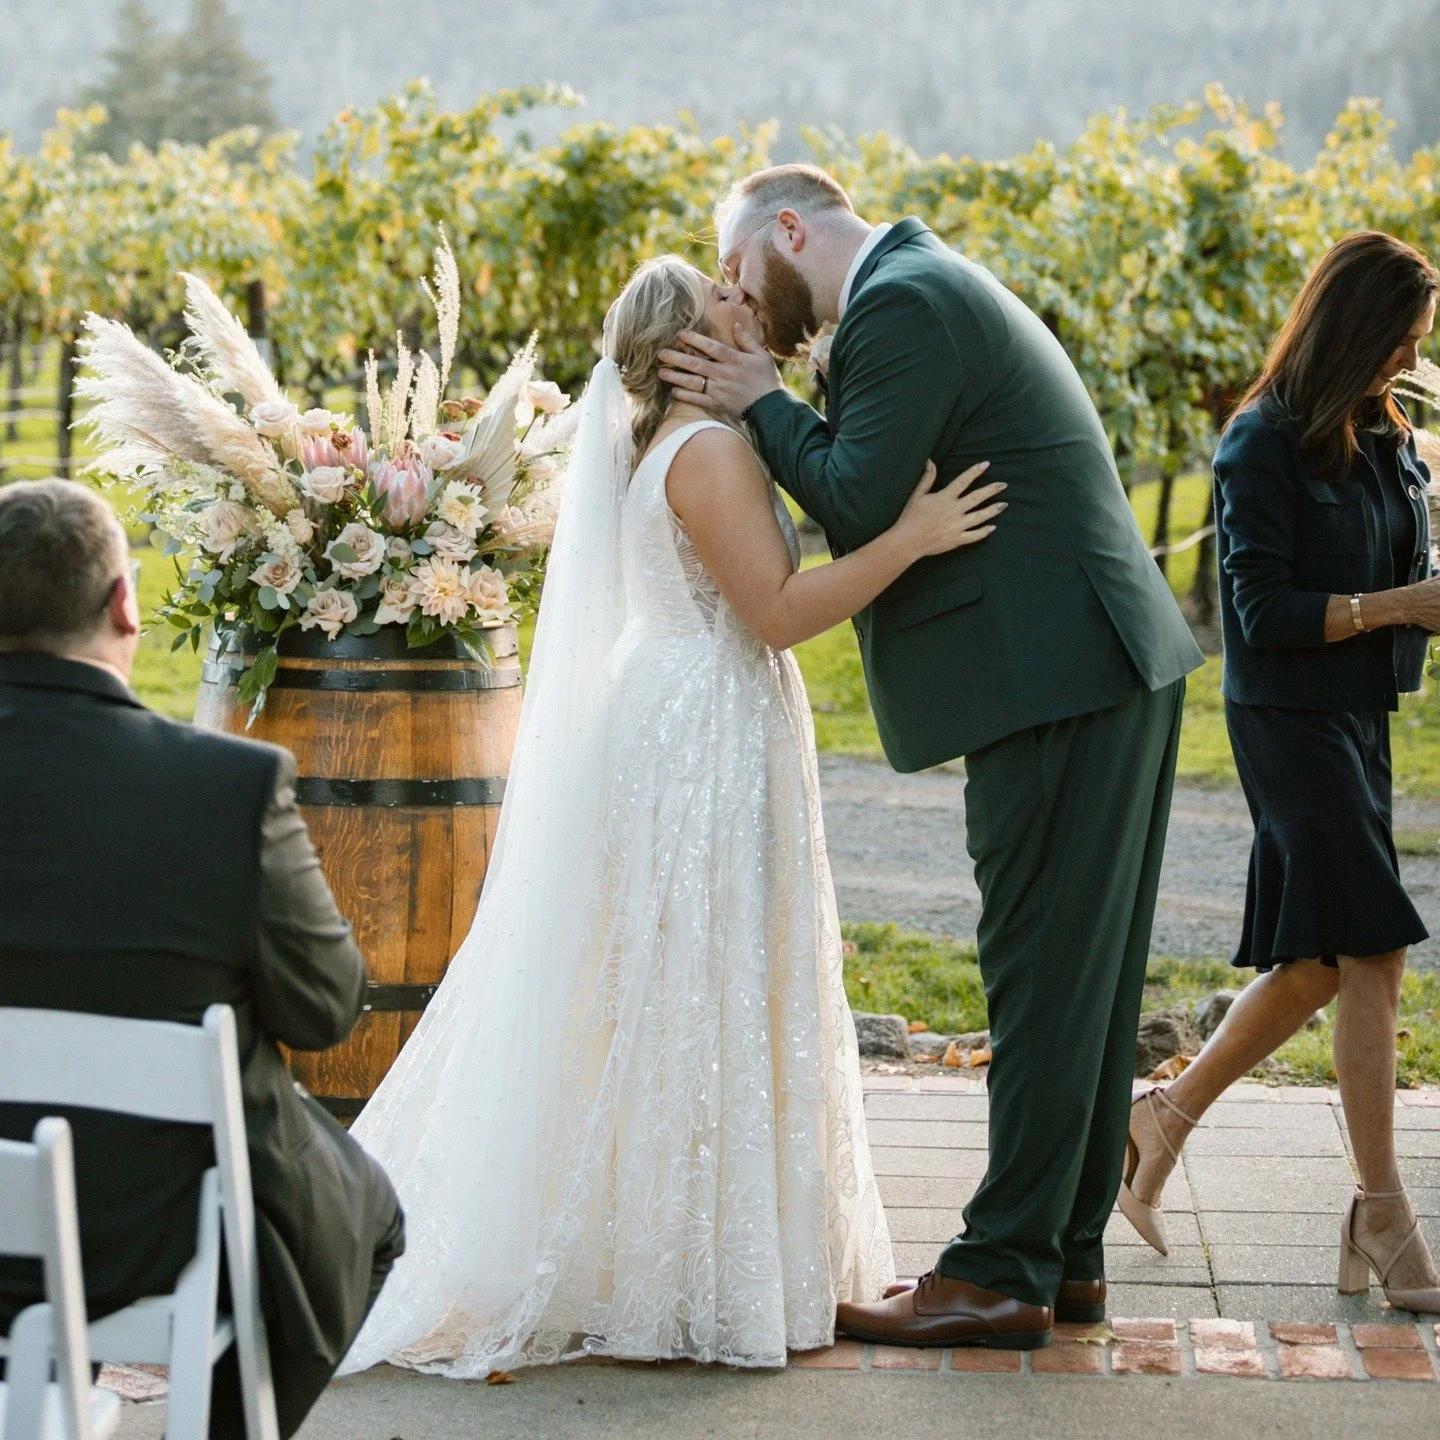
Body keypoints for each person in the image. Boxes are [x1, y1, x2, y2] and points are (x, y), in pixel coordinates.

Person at [341, 256, 1006, 1376]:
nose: (748, 306)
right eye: (724, 305)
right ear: (679, 357)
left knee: (681, 985)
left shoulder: (677, 445)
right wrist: (914, 539)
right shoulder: (703, 453)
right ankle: (689, 1271)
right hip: (699, 725)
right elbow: (783, 612)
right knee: (702, 983)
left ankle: (680, 1250)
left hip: (683, 707)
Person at [656, 164, 1205, 1350]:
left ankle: (998, 1269)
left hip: (1058, 676)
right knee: (1085, 981)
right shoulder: (923, 279)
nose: (748, 307)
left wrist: (756, 397)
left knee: (1041, 972)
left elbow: (855, 500)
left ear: (787, 229)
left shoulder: (902, 301)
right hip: (1096, 664)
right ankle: (1063, 1261)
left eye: (744, 273)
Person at [0, 479, 406, 1437]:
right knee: (364, 1213)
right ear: (122, 604)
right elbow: (323, 1011)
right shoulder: (224, 788)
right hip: (145, 1227)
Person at [1117, 232, 1440, 1314]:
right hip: (1286, 720)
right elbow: (1259, 613)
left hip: (1359, 719)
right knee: (1377, 949)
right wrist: (1402, 606)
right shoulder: (1258, 443)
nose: (1406, 362)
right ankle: (1385, 1214)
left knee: (1319, 963)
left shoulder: (1388, 436)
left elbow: (1408, 566)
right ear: (1352, 329)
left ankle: (1162, 1116)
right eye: (1396, 342)